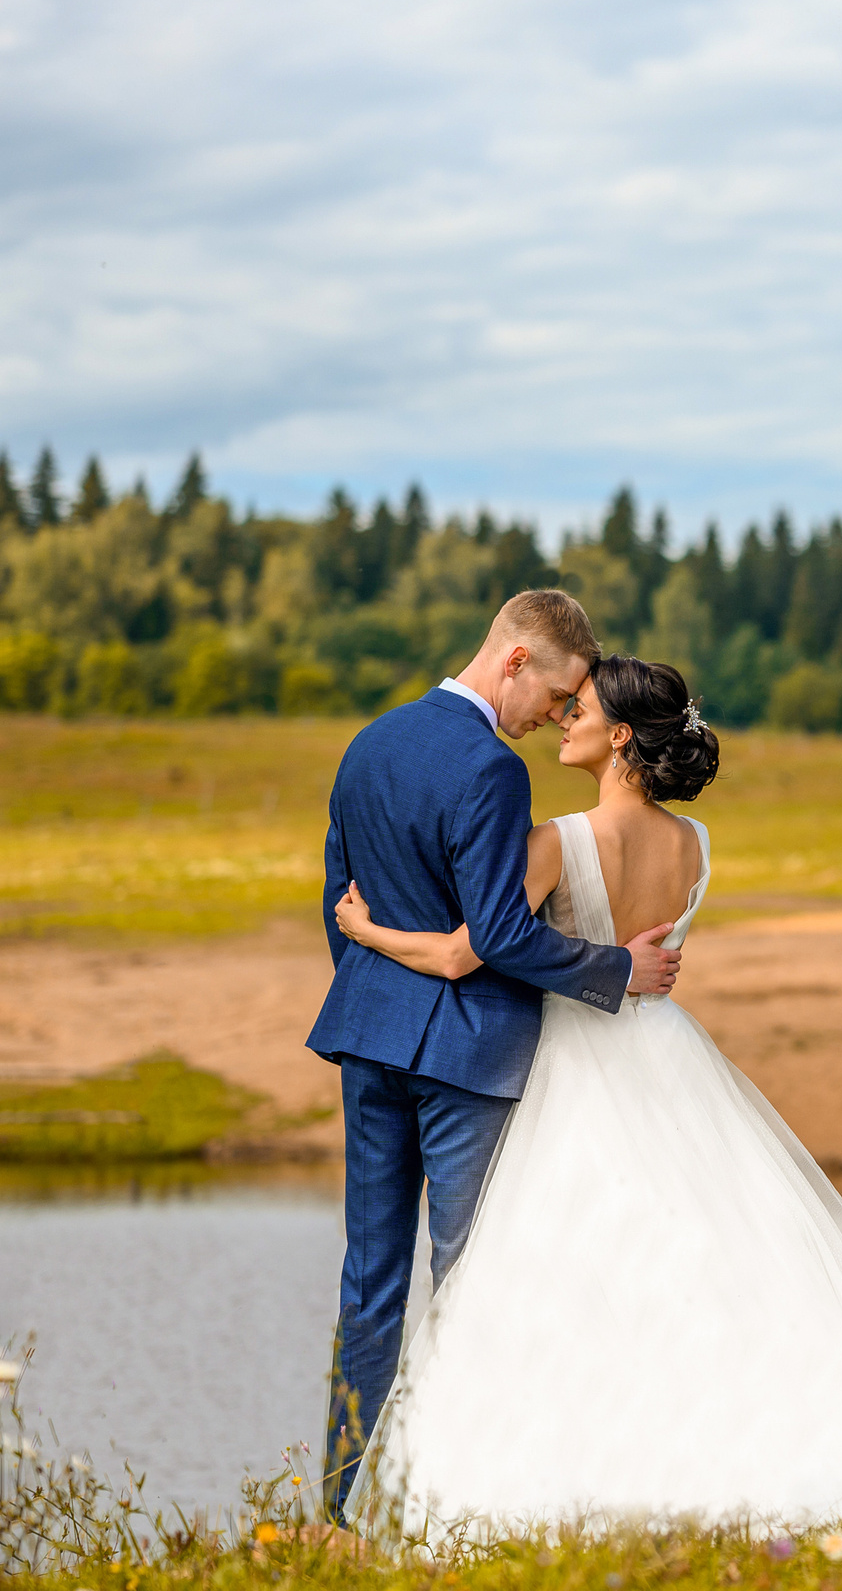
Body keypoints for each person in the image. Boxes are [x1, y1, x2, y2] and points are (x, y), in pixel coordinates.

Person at [332, 655, 842, 1537]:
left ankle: (531, 1485)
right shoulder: (695, 849)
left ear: (620, 736)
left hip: (573, 1059)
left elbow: (469, 955)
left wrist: (366, 930)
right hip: (668, 1057)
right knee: (688, 1259)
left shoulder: (555, 842)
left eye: (579, 709)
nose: (562, 719)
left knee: (560, 1267)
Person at [307, 591, 682, 1523]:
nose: (554, 717)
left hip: (369, 1040)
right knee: (469, 1276)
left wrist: (380, 1002)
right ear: (514, 661)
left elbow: (337, 905)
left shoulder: (369, 742)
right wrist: (616, 971)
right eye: (554, 696)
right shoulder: (489, 768)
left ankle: (339, 1508)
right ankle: (453, 1511)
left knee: (369, 1281)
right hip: (468, 1059)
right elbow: (505, 936)